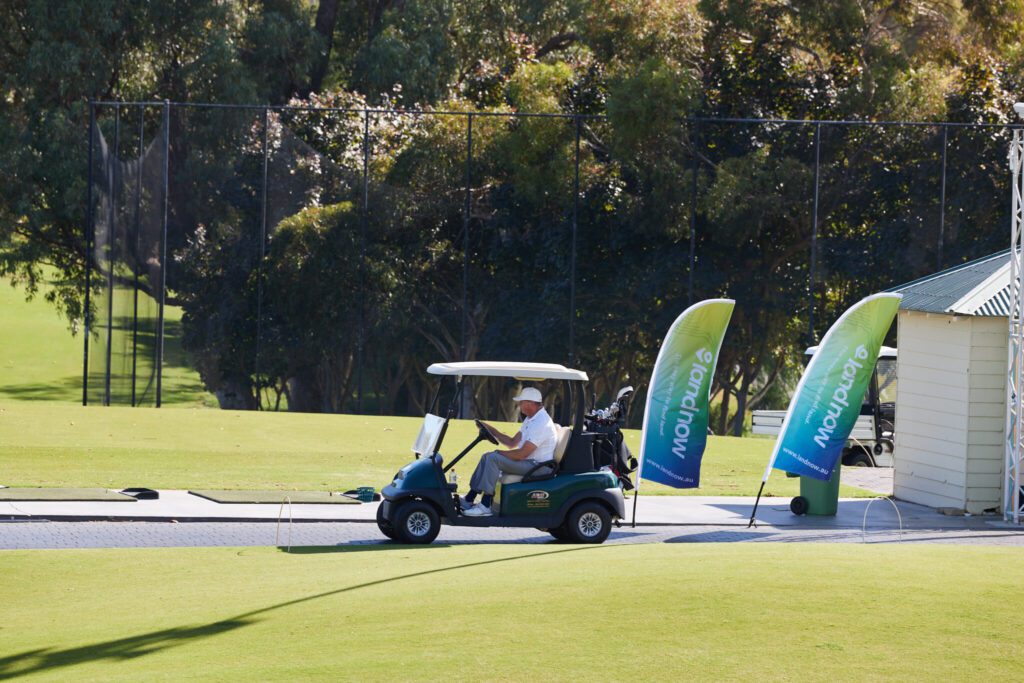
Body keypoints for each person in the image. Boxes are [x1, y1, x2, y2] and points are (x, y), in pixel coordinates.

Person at [461, 387, 559, 516]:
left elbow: (522, 454)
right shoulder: (531, 419)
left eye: (521, 402)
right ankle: (469, 499)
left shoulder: (542, 423)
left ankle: (485, 505)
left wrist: (498, 453)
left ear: (530, 403)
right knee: (487, 456)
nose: (519, 405)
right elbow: (512, 442)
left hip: (538, 467)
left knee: (493, 458)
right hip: (530, 462)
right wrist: (492, 431)